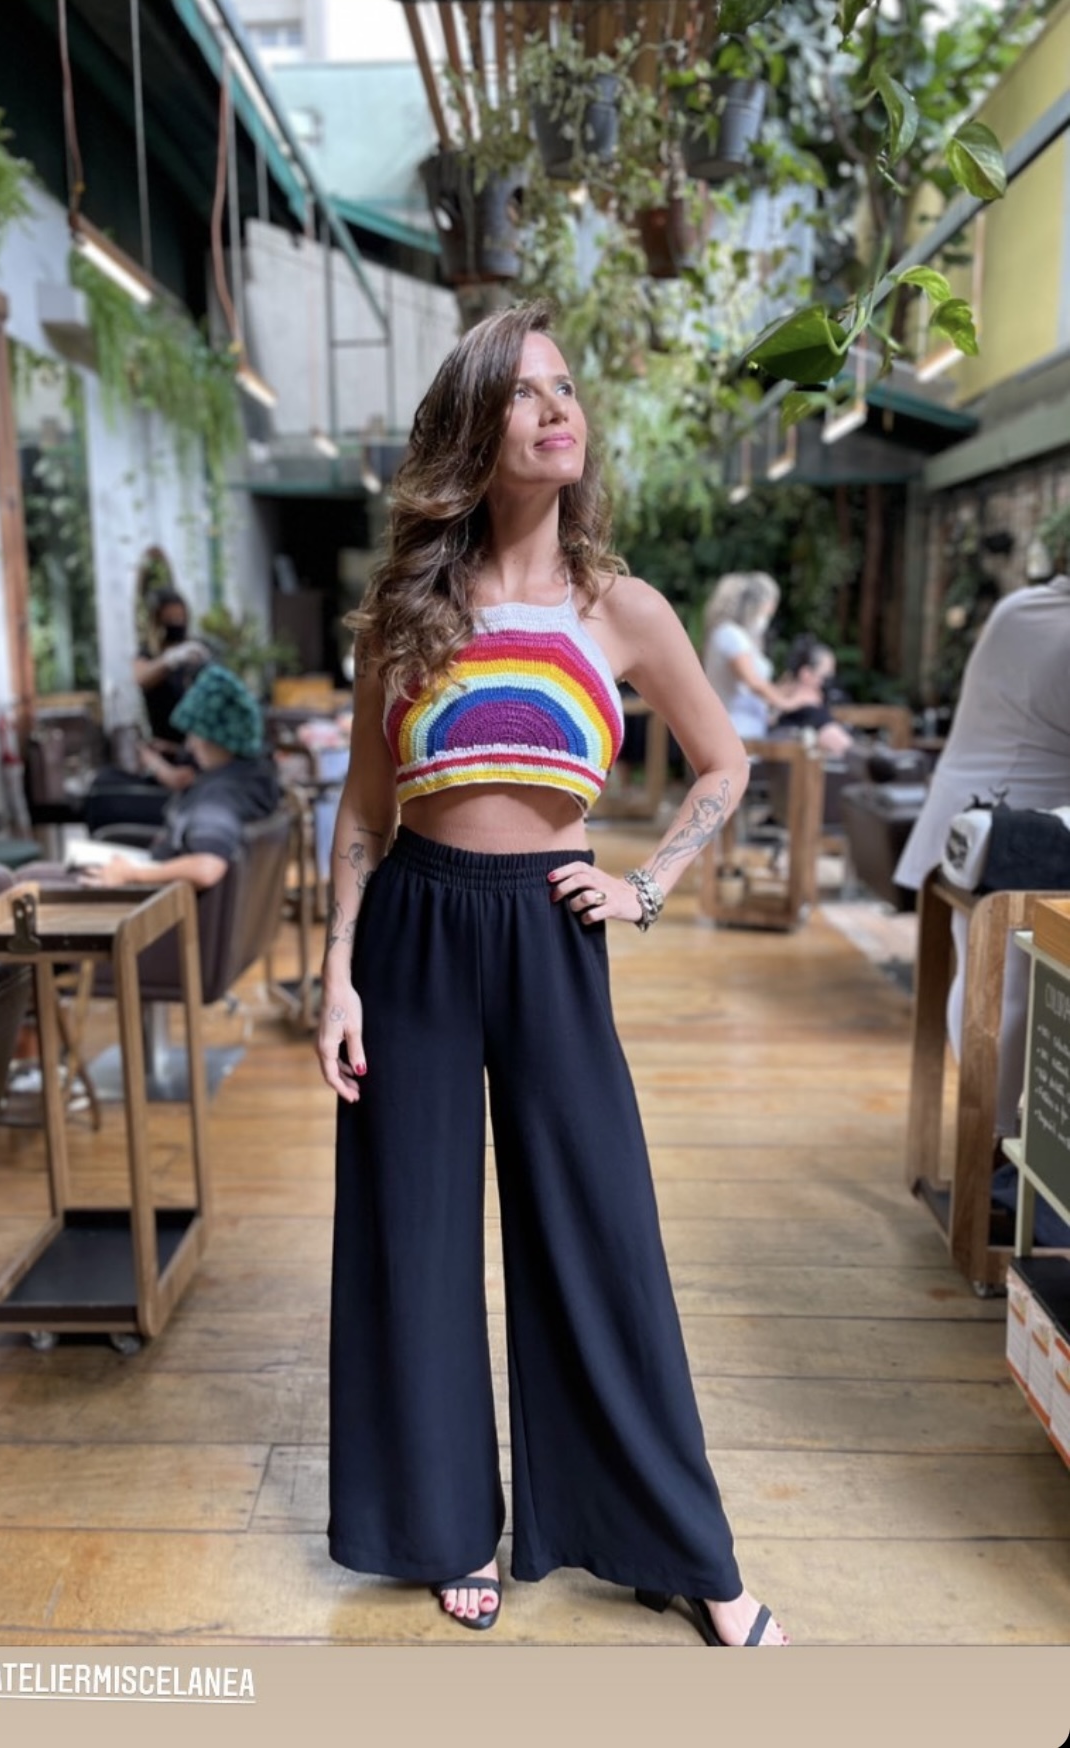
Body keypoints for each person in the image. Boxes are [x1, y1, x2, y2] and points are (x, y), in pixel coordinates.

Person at [314, 301, 788, 1647]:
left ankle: (676, 1549)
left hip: (551, 928)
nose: (556, 409)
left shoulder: (621, 610)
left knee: (601, 1227)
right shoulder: (405, 612)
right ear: (473, 429)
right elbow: (363, 812)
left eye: (564, 387)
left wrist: (647, 885)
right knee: (411, 1231)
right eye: (523, 393)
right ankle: (443, 1524)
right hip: (412, 924)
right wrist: (337, 972)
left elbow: (723, 762)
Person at [894, 565, 1070, 1238]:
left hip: (973, 820)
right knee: (1008, 992)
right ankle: (998, 1160)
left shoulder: (1024, 605)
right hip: (1016, 837)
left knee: (987, 983)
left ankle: (996, 1155)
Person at [76, 663, 281, 891]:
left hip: (161, 904)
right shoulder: (255, 779)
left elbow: (207, 867)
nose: (191, 745)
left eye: (196, 733)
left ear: (217, 737)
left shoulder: (218, 797)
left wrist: (132, 874)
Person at [701, 572, 813, 741]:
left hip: (749, 730)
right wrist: (788, 703)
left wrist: (787, 690)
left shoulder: (738, 636)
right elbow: (753, 682)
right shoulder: (730, 634)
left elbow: (746, 690)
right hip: (736, 730)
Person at [132, 587, 212, 772]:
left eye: (180, 617)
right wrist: (170, 659)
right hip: (164, 747)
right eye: (170, 618)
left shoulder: (195, 649)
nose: (176, 623)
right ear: (157, 620)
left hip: (196, 749)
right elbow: (141, 678)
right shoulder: (148, 654)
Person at [773, 634, 854, 759]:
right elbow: (843, 745)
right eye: (826, 676)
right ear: (806, 675)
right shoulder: (810, 711)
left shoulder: (782, 702)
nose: (827, 683)